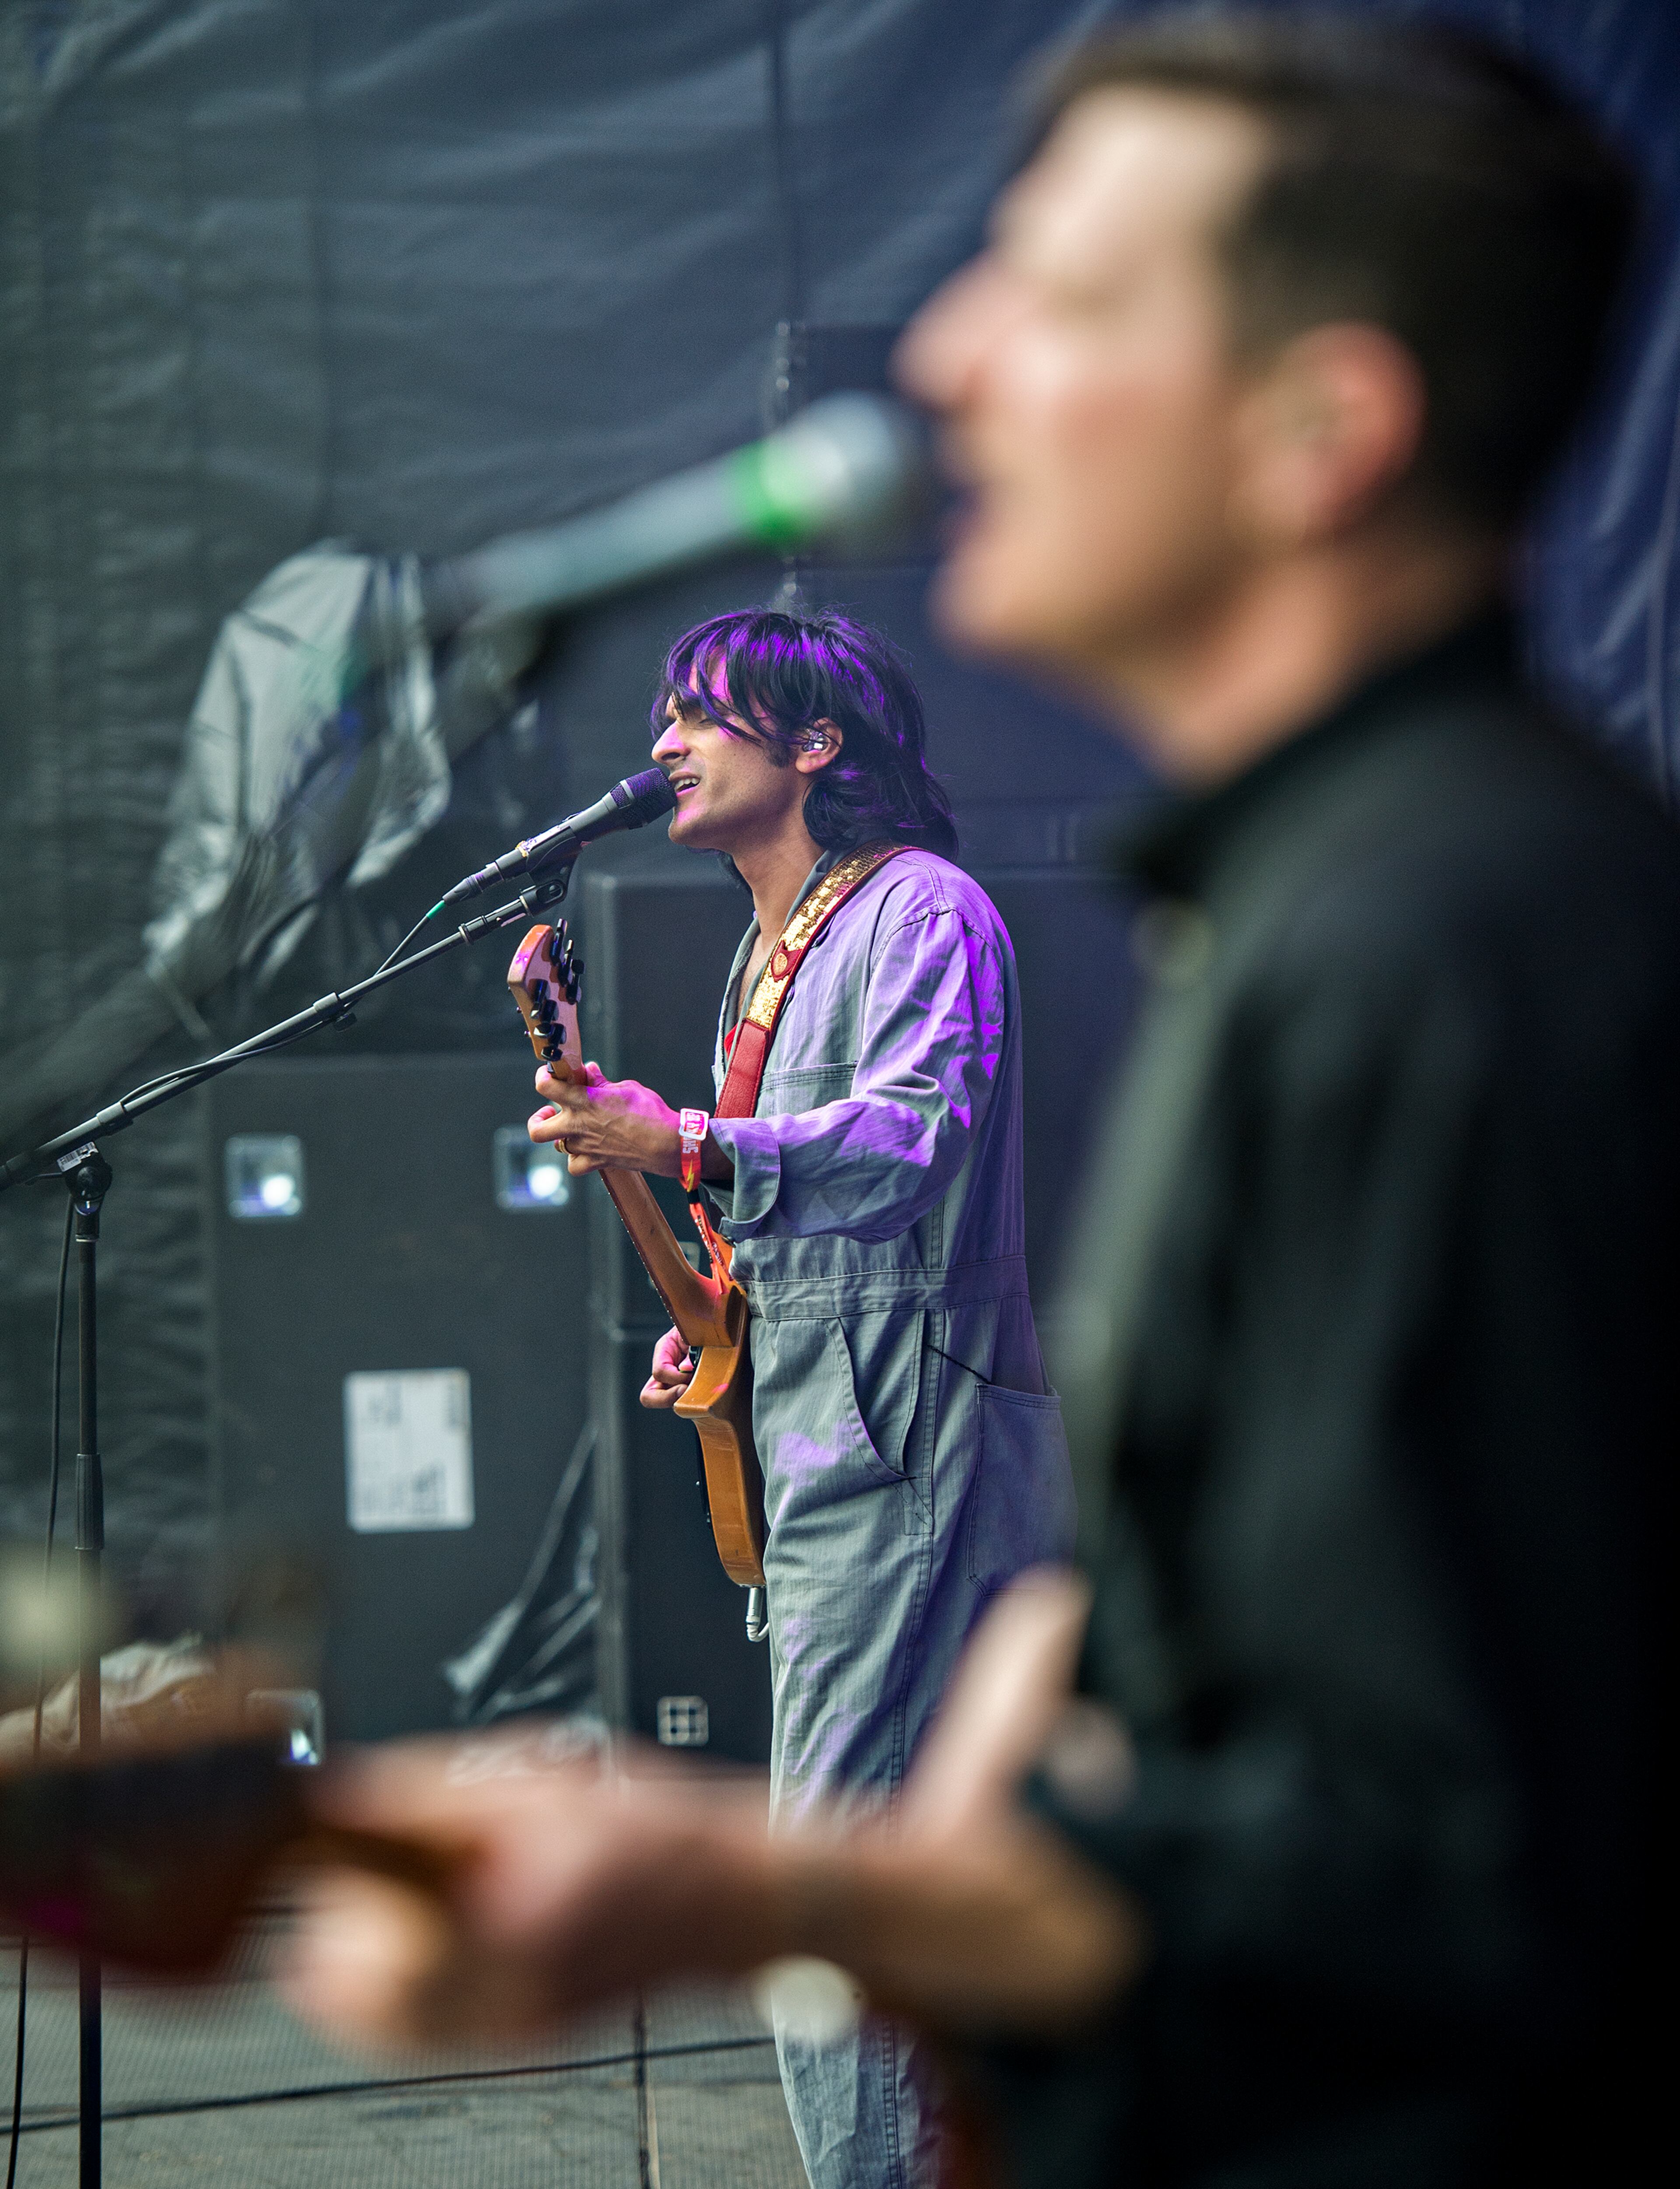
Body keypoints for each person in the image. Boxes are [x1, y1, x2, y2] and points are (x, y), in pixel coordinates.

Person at [286, 14, 1672, 2186]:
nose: (946, 358)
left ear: (1327, 430)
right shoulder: (1337, 910)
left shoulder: (1448, 956)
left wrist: (758, 1888)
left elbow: (1455, 1892)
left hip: (907, 1452)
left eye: (1070, 294)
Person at [520, 602, 1074, 2189]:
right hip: (832, 1442)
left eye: (700, 713)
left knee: (832, 1881)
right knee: (889, 1879)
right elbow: (770, 1241)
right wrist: (716, 1328)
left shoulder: (922, 909)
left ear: (815, 744)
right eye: (660, 717)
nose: (662, 743)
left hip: (910, 1443)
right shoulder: (773, 958)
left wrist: (684, 1142)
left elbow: (911, 1147)